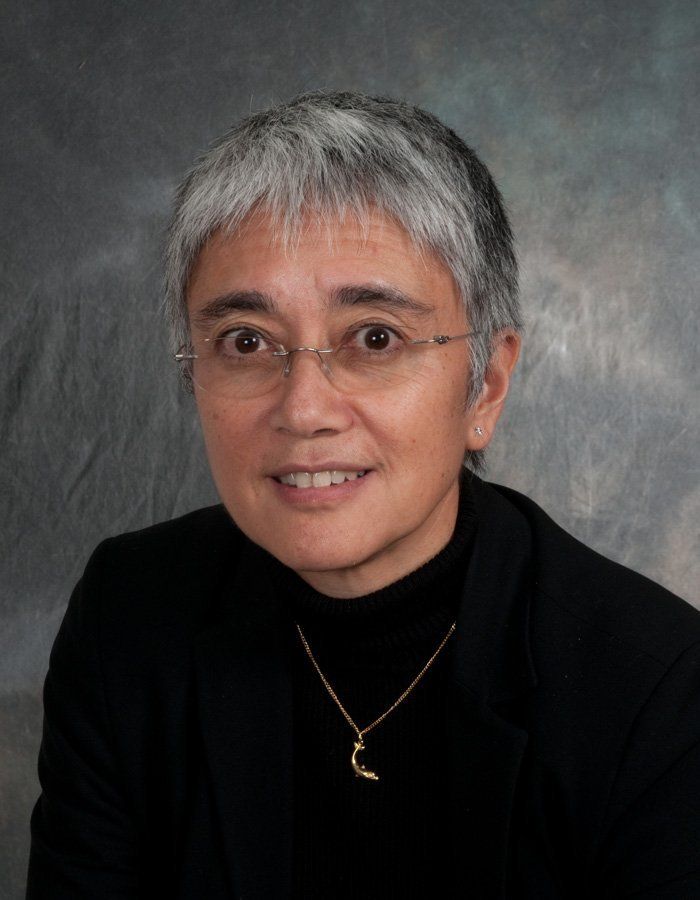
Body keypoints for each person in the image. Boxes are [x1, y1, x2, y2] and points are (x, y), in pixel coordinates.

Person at [27, 91, 700, 899]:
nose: (304, 409)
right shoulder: (129, 619)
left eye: (375, 337)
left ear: (485, 384)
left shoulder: (658, 691)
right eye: (246, 342)